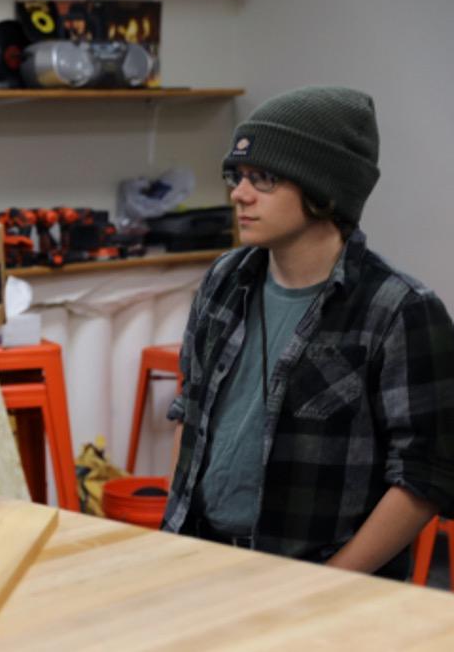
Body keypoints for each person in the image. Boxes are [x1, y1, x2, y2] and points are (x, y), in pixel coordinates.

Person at [163, 86, 454, 579]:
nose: (240, 192)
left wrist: (326, 583)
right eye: (237, 176)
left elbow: (424, 477)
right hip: (205, 564)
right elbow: (190, 410)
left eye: (265, 179)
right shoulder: (223, 281)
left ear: (324, 191)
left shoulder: (400, 311)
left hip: (327, 586)